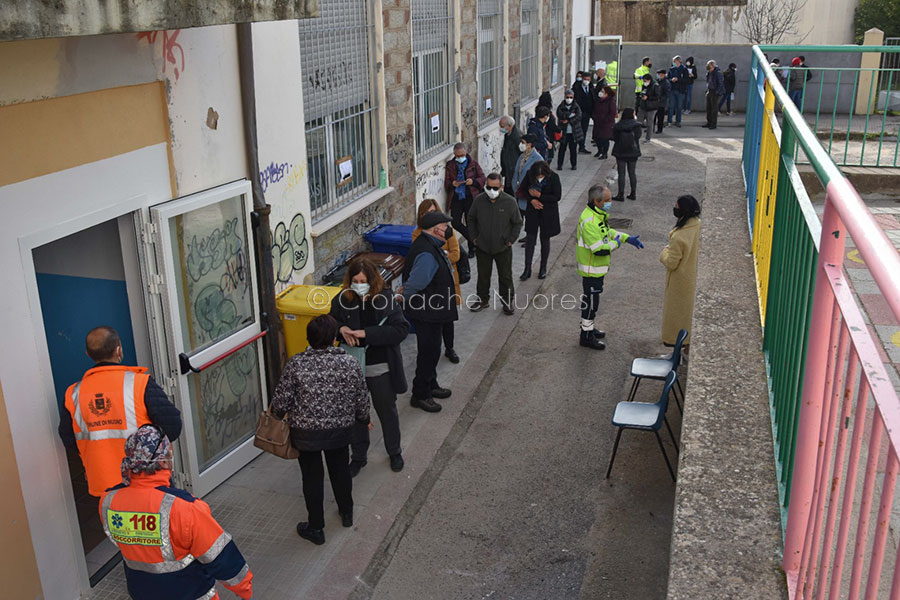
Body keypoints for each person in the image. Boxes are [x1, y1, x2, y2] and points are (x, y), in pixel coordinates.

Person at [100, 425, 253, 600]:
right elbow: (222, 557)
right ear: (164, 462)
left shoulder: (108, 501)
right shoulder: (185, 508)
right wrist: (245, 590)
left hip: (141, 592)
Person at [271, 314, 370, 544]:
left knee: (312, 478)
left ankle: (316, 528)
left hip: (306, 435)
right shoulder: (349, 363)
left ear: (308, 338)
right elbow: (361, 398)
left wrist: (277, 416)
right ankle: (346, 513)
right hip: (340, 431)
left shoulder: (296, 364)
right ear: (335, 338)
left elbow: (280, 403)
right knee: (340, 472)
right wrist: (363, 419)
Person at [59, 326, 182, 498]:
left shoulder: (73, 393)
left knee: (115, 524)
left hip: (104, 484)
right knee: (158, 522)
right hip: (146, 479)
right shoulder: (140, 384)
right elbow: (172, 426)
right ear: (119, 350)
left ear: (88, 354)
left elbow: (68, 437)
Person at [330, 257, 409, 477]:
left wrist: (367, 333)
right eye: (355, 280)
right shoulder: (342, 299)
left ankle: (394, 451)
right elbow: (329, 322)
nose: (359, 284)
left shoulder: (385, 299)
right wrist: (342, 329)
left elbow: (401, 329)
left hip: (380, 365)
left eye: (363, 280)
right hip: (352, 367)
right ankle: (358, 457)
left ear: (372, 280)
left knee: (387, 411)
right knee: (356, 413)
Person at [401, 210, 458, 413]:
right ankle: (420, 394)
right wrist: (403, 296)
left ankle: (431, 385)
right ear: (436, 229)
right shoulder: (426, 251)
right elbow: (417, 282)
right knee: (429, 352)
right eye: (445, 226)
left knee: (432, 350)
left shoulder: (430, 245)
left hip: (433, 309)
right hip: (427, 312)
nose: (448, 229)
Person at [576, 185, 644, 350]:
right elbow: (599, 249)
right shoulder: (590, 221)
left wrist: (627, 238)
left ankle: (589, 328)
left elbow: (607, 232)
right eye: (607, 200)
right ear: (596, 201)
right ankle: (586, 335)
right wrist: (618, 243)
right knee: (591, 303)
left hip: (596, 270)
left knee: (593, 302)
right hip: (591, 269)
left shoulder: (598, 215)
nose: (610, 202)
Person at [413, 199, 462, 363]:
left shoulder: (447, 230)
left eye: (433, 212)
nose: (430, 216)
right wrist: (442, 254)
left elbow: (456, 254)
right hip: (429, 286)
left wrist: (439, 256)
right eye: (426, 214)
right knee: (433, 322)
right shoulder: (417, 234)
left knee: (448, 319)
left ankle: (450, 348)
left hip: (447, 281)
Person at [468, 172, 523, 314]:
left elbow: (517, 223)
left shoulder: (510, 202)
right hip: (483, 247)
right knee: (483, 275)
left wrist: (511, 240)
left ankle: (507, 302)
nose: (491, 191)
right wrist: (474, 237)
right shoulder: (479, 201)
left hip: (503, 247)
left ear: (502, 187)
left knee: (505, 276)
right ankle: (482, 299)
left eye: (495, 188)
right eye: (489, 187)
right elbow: (471, 218)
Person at [660, 194, 702, 355]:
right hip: (693, 278)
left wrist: (664, 252)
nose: (674, 208)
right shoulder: (698, 226)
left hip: (679, 282)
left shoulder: (679, 236)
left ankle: (677, 351)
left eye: (676, 206)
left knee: (677, 319)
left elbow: (671, 262)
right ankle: (687, 349)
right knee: (688, 317)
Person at [517, 161, 561, 281]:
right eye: (537, 176)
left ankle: (543, 267)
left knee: (545, 241)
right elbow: (522, 190)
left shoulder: (554, 177)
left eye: (541, 176)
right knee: (530, 240)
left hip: (548, 213)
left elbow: (557, 196)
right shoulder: (529, 175)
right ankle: (527, 269)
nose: (539, 177)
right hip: (533, 212)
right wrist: (532, 200)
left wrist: (540, 196)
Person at [443, 142, 485, 255]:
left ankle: (472, 249)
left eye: (462, 155)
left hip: (470, 196)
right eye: (458, 156)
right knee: (455, 222)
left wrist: (473, 182)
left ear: (466, 153)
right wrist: (453, 184)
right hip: (456, 197)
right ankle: (473, 240)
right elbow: (447, 183)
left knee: (470, 222)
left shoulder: (473, 164)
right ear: (454, 155)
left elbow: (482, 178)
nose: (460, 158)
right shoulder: (450, 165)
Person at [611, 108, 642, 201]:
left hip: (620, 152)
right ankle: (633, 193)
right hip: (633, 152)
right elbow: (638, 136)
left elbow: (614, 137)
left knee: (621, 173)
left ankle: (620, 194)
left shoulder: (618, 126)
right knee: (632, 172)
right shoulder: (636, 125)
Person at [512, 133, 544, 215]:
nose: (521, 144)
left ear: (529, 145)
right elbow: (517, 173)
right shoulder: (522, 156)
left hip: (529, 195)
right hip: (518, 193)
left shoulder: (538, 159)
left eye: (523, 142)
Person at [556, 89, 583, 170]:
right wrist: (570, 115)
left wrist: (568, 120)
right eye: (567, 97)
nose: (569, 99)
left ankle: (574, 164)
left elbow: (578, 117)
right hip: (564, 132)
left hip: (573, 133)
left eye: (570, 97)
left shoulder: (576, 107)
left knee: (573, 150)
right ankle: (559, 165)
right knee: (562, 150)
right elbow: (560, 115)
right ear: (564, 97)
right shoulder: (561, 106)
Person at [499, 115, 523, 196]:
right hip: (508, 169)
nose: (500, 128)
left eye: (502, 126)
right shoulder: (508, 134)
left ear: (509, 126)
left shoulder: (517, 136)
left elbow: (522, 153)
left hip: (513, 170)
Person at [592, 84, 617, 159]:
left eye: (603, 92)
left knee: (604, 139)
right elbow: (594, 110)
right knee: (597, 138)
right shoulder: (598, 101)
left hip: (606, 124)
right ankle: (599, 150)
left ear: (607, 93)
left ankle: (604, 153)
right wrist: (594, 117)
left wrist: (605, 120)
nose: (601, 93)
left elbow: (612, 113)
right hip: (597, 122)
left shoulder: (611, 101)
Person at [573, 71, 594, 153]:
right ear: (582, 79)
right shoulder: (577, 88)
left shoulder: (591, 88)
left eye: (588, 79)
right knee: (577, 129)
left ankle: (582, 146)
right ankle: (576, 144)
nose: (586, 81)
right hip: (579, 112)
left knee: (584, 130)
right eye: (585, 79)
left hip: (587, 112)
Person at [537, 92, 560, 162]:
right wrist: (559, 129)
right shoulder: (546, 112)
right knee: (548, 156)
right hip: (549, 136)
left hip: (542, 136)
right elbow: (552, 125)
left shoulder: (538, 110)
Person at [637, 73, 660, 142]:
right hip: (643, 106)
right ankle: (636, 136)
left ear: (649, 80)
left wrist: (648, 97)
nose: (644, 82)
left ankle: (648, 138)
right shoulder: (644, 85)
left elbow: (658, 96)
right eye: (643, 81)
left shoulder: (655, 86)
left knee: (649, 123)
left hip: (651, 107)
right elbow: (643, 92)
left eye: (645, 81)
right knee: (638, 122)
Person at [668, 55, 689, 127]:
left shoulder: (684, 69)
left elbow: (687, 80)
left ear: (678, 61)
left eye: (674, 61)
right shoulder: (672, 69)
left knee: (679, 107)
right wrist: (671, 80)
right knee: (671, 106)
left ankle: (678, 121)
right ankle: (669, 121)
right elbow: (668, 78)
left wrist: (678, 79)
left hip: (681, 91)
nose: (673, 63)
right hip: (673, 90)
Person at [703, 60, 725, 130]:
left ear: (713, 66)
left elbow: (720, 84)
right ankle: (709, 122)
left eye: (710, 67)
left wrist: (717, 92)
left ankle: (713, 123)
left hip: (715, 92)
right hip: (710, 90)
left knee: (714, 109)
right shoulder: (709, 73)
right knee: (708, 107)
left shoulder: (718, 73)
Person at [655, 69, 671, 134]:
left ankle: (659, 129)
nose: (659, 76)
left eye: (660, 74)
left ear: (663, 75)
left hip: (661, 103)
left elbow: (667, 94)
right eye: (658, 74)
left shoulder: (666, 83)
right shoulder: (657, 81)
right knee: (653, 116)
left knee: (660, 117)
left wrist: (660, 99)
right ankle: (651, 128)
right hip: (655, 102)